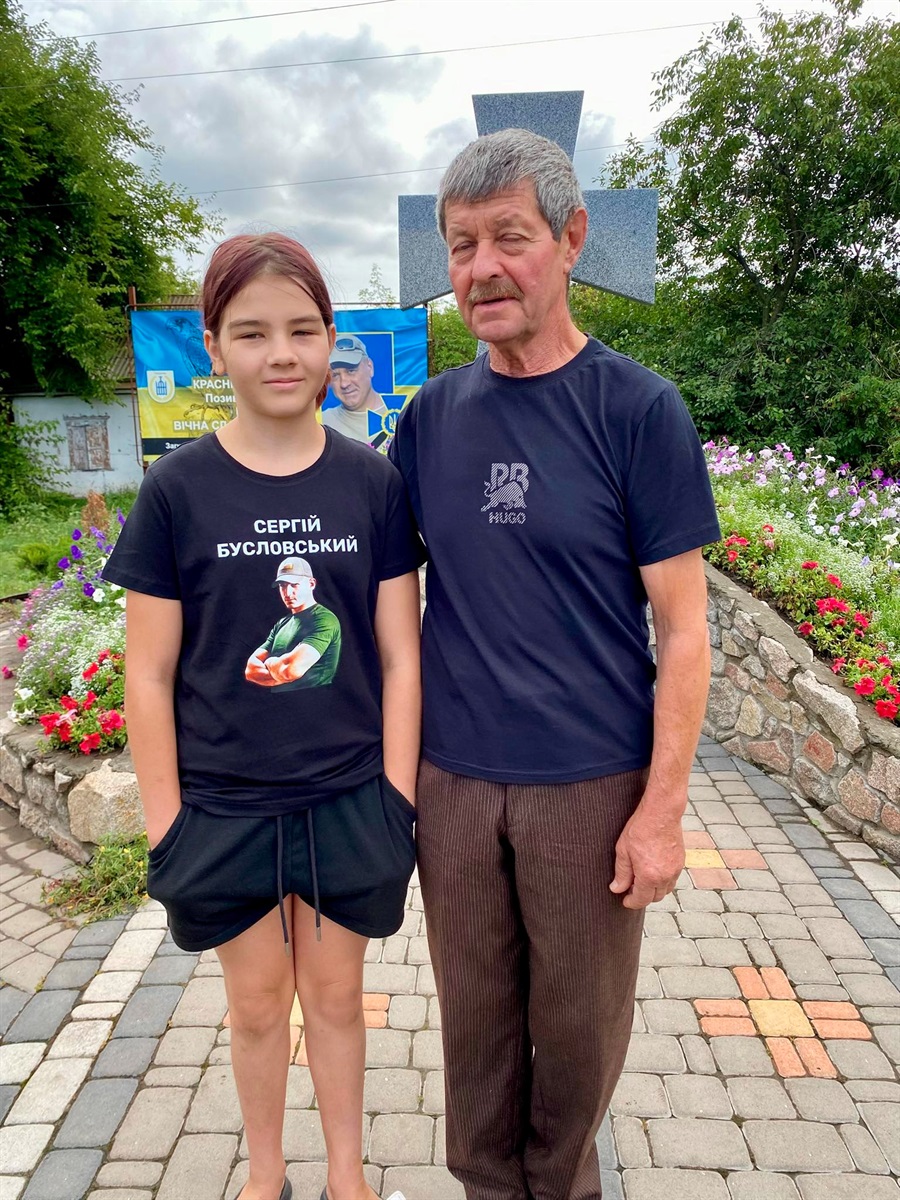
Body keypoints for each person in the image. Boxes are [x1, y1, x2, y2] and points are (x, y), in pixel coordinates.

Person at [388, 129, 720, 1200]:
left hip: (589, 789)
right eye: (462, 245)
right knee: (475, 1033)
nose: (482, 268)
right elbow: (380, 601)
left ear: (571, 239)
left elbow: (684, 632)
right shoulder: (431, 420)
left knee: (577, 1040)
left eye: (510, 238)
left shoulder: (638, 411)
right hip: (453, 786)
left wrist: (661, 810)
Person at [104, 233, 424, 1200]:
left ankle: (346, 1178)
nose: (279, 353)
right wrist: (166, 823)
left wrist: (396, 800)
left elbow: (401, 655)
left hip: (347, 801)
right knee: (252, 1006)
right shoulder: (176, 490)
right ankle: (265, 1176)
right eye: (251, 333)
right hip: (223, 807)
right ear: (213, 347)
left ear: (330, 339)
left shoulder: (371, 483)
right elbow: (149, 673)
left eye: (300, 330)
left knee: (336, 998)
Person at [245, 557, 342, 689]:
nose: (288, 592)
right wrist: (279, 669)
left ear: (311, 584)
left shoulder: (324, 619)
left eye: (294, 584)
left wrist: (269, 661)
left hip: (316, 700)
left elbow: (290, 670)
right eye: (282, 586)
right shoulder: (282, 623)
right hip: (276, 701)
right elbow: (250, 671)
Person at [321, 334, 389, 443]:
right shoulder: (322, 423)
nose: (344, 384)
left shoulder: (401, 412)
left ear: (370, 367)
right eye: (335, 375)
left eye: (351, 371)